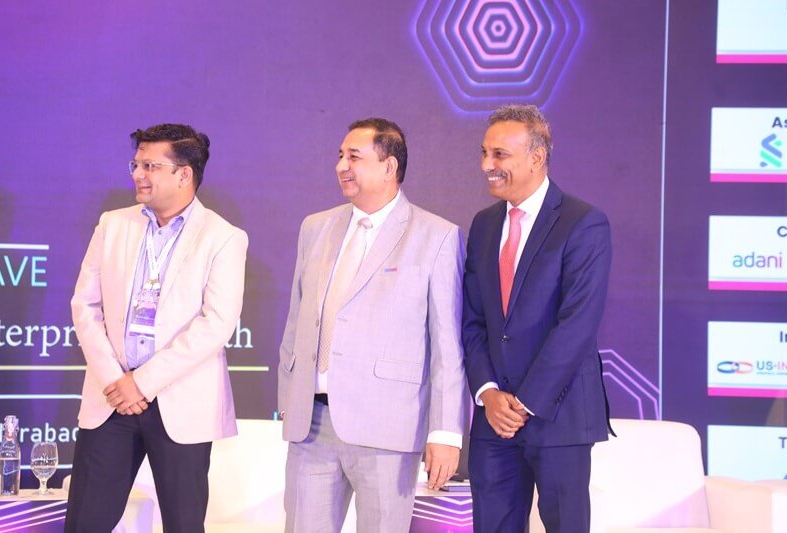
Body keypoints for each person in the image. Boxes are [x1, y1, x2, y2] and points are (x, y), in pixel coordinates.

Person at [278, 117, 468, 532]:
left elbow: (447, 347)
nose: (341, 166)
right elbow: (295, 324)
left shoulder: (436, 236)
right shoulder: (315, 227)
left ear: (389, 166)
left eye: (354, 157)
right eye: (340, 156)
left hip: (389, 429)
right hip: (312, 426)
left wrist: (445, 433)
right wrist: (290, 400)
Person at [65, 124, 248, 532]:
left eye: (150, 166)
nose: (137, 174)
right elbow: (85, 305)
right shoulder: (113, 224)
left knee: (183, 524)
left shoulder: (223, 238)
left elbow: (217, 324)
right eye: (136, 164)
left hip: (180, 401)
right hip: (112, 400)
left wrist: (142, 382)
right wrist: (116, 381)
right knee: (84, 522)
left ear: (184, 174)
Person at [463, 104, 613, 533]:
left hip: (558, 416)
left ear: (537, 157)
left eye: (500, 154)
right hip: (494, 422)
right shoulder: (483, 225)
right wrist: (489, 393)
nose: (486, 165)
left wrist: (525, 403)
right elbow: (473, 320)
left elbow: (577, 325)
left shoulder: (583, 223)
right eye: (484, 153)